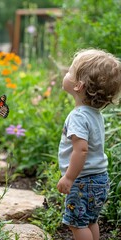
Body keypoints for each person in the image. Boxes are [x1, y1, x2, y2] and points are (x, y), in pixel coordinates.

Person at [57, 48, 121, 240]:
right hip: (100, 179)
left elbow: (81, 150)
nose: (65, 74)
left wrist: (69, 178)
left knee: (77, 224)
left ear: (79, 86)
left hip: (83, 181)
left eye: (69, 71)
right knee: (90, 221)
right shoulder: (95, 114)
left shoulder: (77, 116)